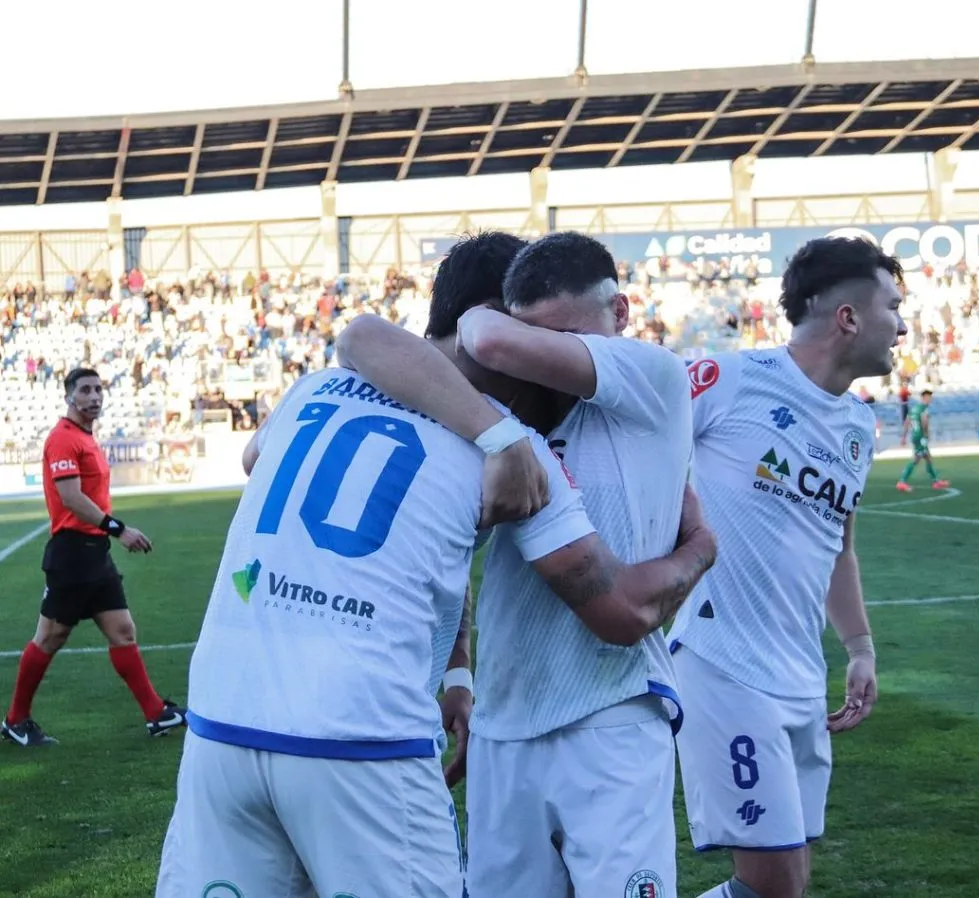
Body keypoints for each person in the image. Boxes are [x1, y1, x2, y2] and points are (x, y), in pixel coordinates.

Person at [157, 233, 714, 898]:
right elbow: (618, 608)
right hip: (362, 736)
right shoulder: (511, 448)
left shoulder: (313, 389)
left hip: (221, 723)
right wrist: (701, 546)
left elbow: (265, 463)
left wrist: (456, 670)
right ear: (493, 325)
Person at [340, 231, 712, 898]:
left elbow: (486, 340)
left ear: (620, 313)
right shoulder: (506, 424)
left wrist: (701, 549)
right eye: (536, 339)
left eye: (566, 338)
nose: (548, 360)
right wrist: (459, 671)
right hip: (502, 728)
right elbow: (453, 554)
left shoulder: (650, 376)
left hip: (611, 716)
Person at [667, 237, 906, 898]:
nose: (903, 326)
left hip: (801, 675)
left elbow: (839, 546)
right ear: (848, 318)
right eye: (893, 307)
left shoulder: (858, 426)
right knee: (772, 880)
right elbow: (633, 451)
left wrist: (859, 648)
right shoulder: (729, 379)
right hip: (723, 661)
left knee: (786, 884)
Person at [1, 368, 185, 748]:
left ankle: (155, 714)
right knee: (50, 637)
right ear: (69, 396)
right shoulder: (63, 439)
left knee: (122, 631)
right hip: (72, 555)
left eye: (98, 389)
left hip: (95, 555)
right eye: (85, 390)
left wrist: (108, 535)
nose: (94, 396)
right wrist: (119, 530)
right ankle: (15, 721)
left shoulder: (86, 437)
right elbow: (70, 498)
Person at [897, 389, 950, 492]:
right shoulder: (923, 409)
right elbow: (924, 421)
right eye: (929, 397)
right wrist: (926, 435)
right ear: (925, 398)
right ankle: (902, 482)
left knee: (928, 457)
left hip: (915, 436)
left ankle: (936, 481)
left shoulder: (914, 409)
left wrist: (904, 437)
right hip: (920, 437)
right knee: (916, 459)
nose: (931, 399)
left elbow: (907, 422)